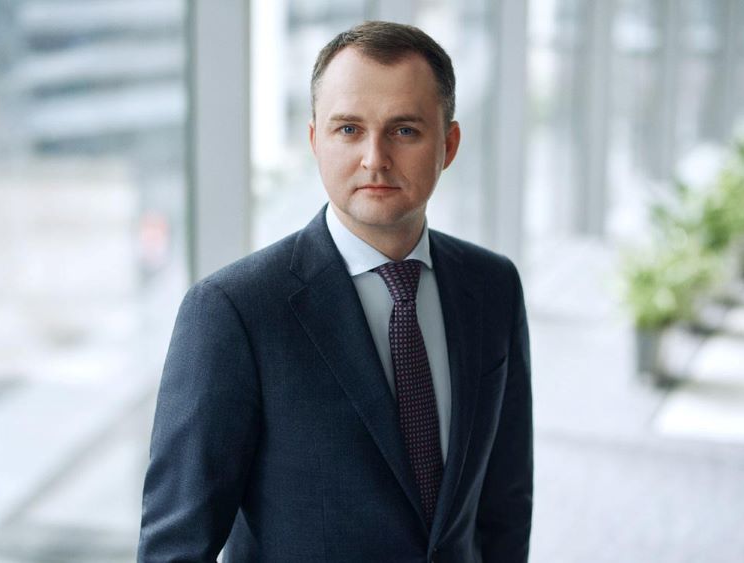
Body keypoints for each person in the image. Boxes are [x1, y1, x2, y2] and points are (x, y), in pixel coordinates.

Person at [138, 20, 533, 562]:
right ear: (314, 141)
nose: (375, 158)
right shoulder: (235, 312)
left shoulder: (492, 286)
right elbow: (174, 549)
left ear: (449, 145)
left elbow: (505, 507)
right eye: (348, 129)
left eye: (404, 130)